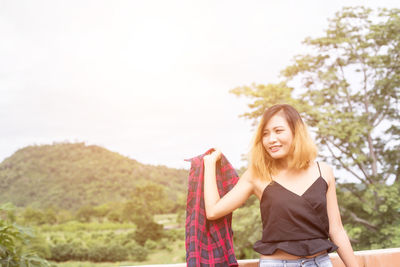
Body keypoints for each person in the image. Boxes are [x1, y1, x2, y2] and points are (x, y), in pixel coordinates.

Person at [203, 104, 358, 267]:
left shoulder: (324, 172)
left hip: (320, 263)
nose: (271, 140)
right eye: (265, 134)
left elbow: (337, 230)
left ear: (296, 132)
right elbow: (213, 211)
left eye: (278, 131)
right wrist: (209, 164)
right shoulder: (257, 175)